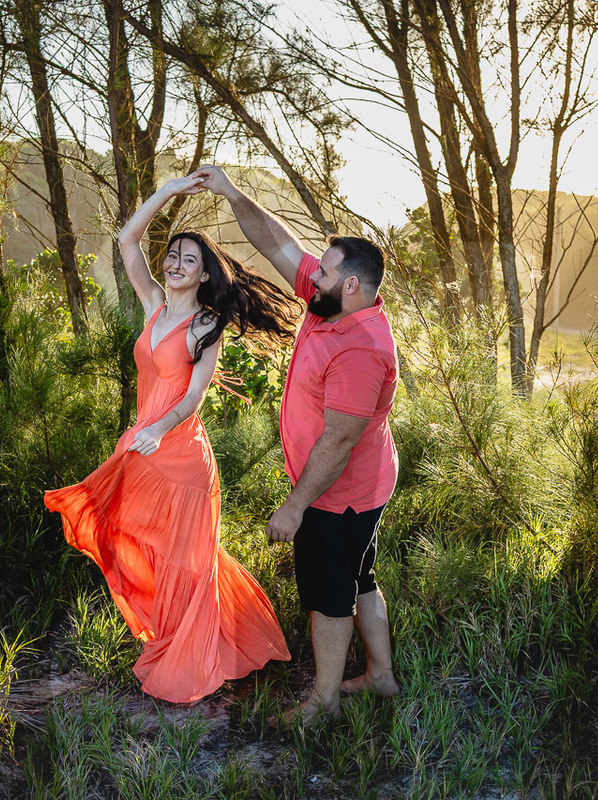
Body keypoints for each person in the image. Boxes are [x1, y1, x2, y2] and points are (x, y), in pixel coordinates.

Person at [44, 176, 298, 704]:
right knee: (132, 535)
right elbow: (127, 241)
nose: (175, 264)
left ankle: (193, 654)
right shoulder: (153, 305)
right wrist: (170, 191)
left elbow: (191, 400)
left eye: (188, 259)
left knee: (189, 558)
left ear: (204, 273)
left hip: (179, 454)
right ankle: (174, 635)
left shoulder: (207, 324)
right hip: (143, 445)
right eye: (173, 256)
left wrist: (156, 430)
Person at [191, 164, 402, 721]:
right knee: (362, 577)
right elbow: (278, 243)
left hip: (340, 492)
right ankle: (381, 677)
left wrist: (295, 505)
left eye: (326, 270)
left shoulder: (361, 349)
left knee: (329, 598)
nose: (313, 274)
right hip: (360, 483)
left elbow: (336, 443)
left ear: (351, 285)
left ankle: (323, 704)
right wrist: (232, 193)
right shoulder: (329, 299)